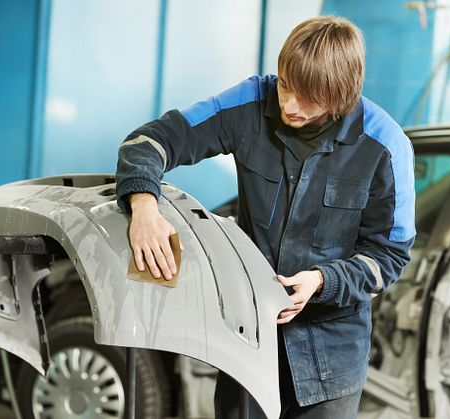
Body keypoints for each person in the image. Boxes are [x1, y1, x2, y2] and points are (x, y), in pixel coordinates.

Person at [115, 15, 415, 418]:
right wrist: (144, 205)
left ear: (340, 96)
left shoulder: (385, 146)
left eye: (307, 96)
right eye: (286, 85)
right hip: (247, 343)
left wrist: (324, 281)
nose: (289, 105)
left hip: (331, 361)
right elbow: (150, 141)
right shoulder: (253, 103)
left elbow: (389, 257)